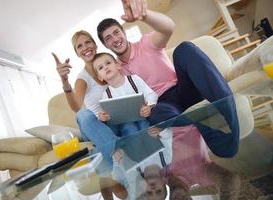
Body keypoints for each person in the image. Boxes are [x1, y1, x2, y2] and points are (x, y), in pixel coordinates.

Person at [96, 0, 240, 158]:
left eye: (116, 32)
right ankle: (216, 139)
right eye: (108, 38)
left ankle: (228, 110)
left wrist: (144, 15)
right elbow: (101, 77)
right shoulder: (115, 69)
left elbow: (169, 27)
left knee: (184, 48)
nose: (115, 39)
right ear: (106, 45)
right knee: (155, 115)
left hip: (183, 90)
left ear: (123, 32)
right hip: (162, 106)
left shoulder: (146, 43)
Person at [52, 30, 128, 199]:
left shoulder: (108, 65)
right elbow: (76, 106)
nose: (85, 48)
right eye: (80, 46)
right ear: (77, 53)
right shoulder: (82, 78)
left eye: (88, 42)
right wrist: (65, 81)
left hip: (114, 121)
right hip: (94, 125)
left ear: (94, 44)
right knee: (83, 114)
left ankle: (107, 171)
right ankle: (118, 159)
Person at [92, 52, 158, 137]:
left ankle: (154, 148)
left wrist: (149, 107)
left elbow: (151, 94)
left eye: (108, 63)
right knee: (129, 128)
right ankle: (138, 149)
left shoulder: (134, 79)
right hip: (124, 125)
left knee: (144, 125)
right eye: (100, 68)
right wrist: (103, 117)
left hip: (142, 117)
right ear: (100, 77)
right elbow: (107, 115)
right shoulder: (106, 95)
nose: (105, 67)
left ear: (118, 66)